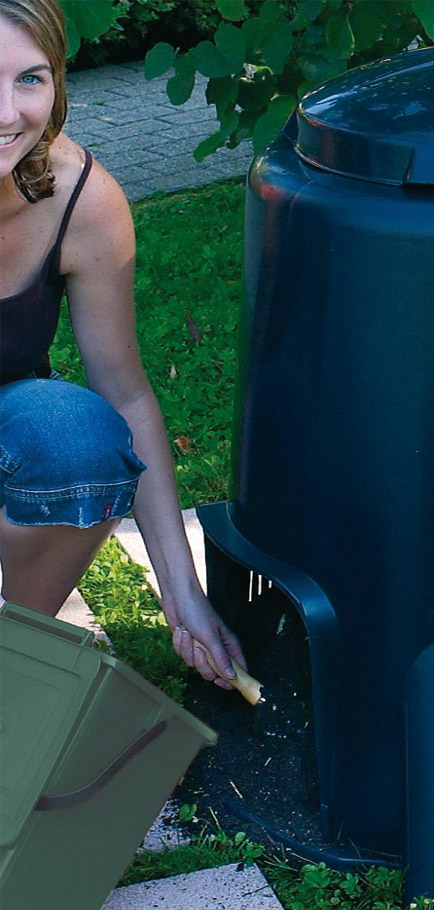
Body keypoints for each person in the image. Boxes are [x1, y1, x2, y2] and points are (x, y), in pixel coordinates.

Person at [0, 0, 243, 691]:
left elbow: (126, 394)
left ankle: (15, 658)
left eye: (30, 79)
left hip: (7, 438)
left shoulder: (82, 200)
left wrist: (182, 592)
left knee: (79, 434)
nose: (7, 114)